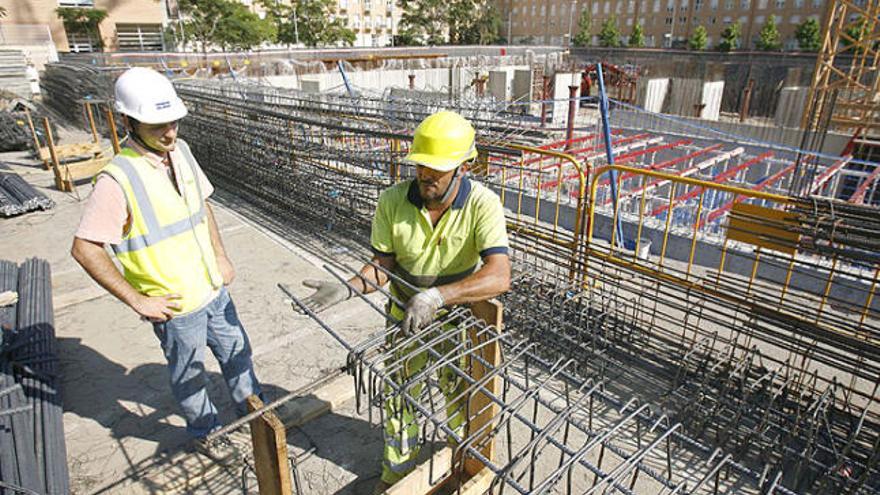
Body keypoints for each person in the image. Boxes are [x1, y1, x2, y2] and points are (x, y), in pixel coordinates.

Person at [300, 110, 511, 491]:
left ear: (464, 167)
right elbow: (382, 266)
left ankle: (459, 462)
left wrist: (438, 296)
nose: (425, 175)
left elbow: (500, 275)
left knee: (459, 395)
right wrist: (349, 286)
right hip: (404, 319)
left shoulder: (483, 204)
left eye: (437, 169)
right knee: (399, 400)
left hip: (455, 321)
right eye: (421, 167)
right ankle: (396, 477)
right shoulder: (393, 200)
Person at [70, 67, 262, 460]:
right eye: (157, 125)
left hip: (213, 290)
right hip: (175, 308)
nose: (169, 132)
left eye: (172, 121)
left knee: (238, 355)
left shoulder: (182, 151)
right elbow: (85, 247)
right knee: (190, 379)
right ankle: (207, 434)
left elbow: (201, 206)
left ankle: (256, 414)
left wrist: (221, 255)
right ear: (128, 121)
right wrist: (138, 300)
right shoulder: (116, 180)